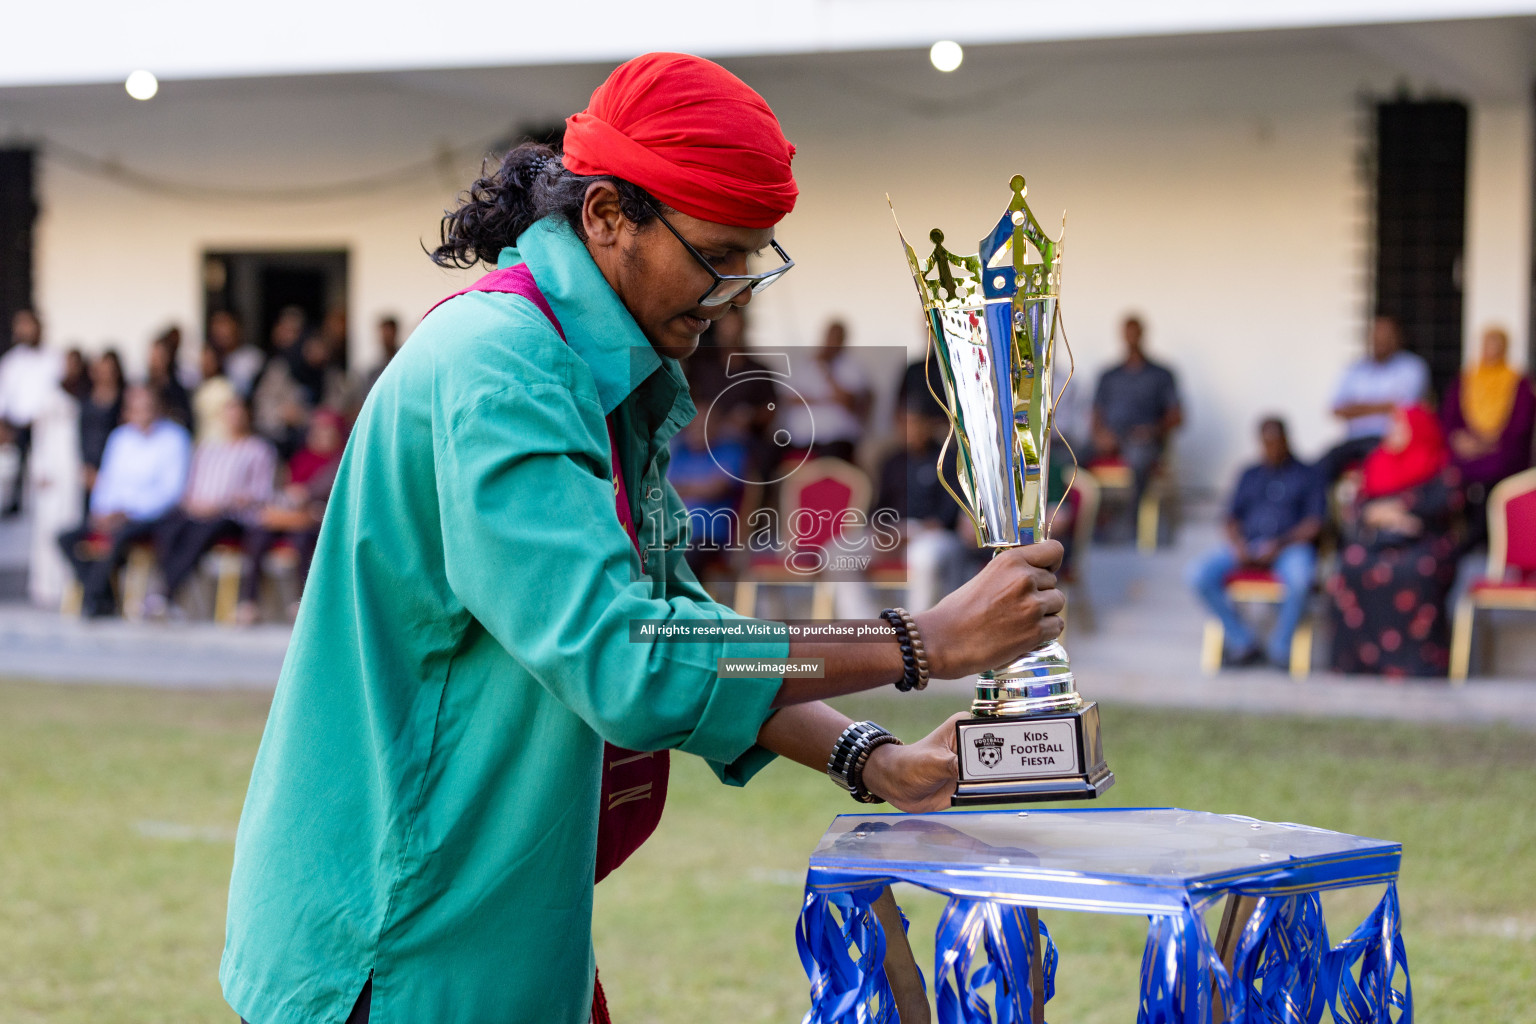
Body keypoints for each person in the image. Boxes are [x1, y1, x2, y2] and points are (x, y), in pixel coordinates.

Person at [221, 53, 1066, 1024]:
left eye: (757, 256)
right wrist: (922, 642)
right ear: (607, 218)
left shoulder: (590, 368)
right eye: (720, 252)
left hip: (487, 914)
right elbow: (630, 657)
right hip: (397, 937)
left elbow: (680, 629)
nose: (737, 289)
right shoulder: (501, 369)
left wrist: (873, 759)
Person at [1327, 406, 1463, 677]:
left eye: (1401, 426)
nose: (1393, 432)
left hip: (1424, 543)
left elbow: (1447, 501)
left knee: (1418, 569)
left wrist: (1403, 511)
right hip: (1378, 542)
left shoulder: (1439, 463)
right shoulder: (1377, 460)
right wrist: (1379, 514)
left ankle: (1416, 664)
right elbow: (1359, 506)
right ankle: (1357, 662)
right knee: (1350, 565)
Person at [1187, 418, 1325, 668]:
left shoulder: (1308, 475)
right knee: (1198, 575)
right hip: (1248, 546)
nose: (1272, 448)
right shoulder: (1250, 474)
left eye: (1277, 441)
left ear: (1287, 439)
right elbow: (1230, 519)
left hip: (1288, 548)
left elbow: (1314, 524)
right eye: (1266, 442)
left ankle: (1280, 649)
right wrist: (1238, 545)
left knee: (1300, 578)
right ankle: (1242, 641)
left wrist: (1279, 545)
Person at [57, 386, 190, 617]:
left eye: (146, 407)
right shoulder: (120, 437)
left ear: (158, 408)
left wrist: (128, 512)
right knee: (66, 538)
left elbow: (171, 491)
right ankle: (103, 596)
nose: (141, 413)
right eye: (135, 408)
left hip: (149, 516)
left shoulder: (174, 438)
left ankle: (92, 599)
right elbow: (107, 481)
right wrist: (101, 511)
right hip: (112, 514)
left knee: (120, 537)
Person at [144, 397, 275, 617]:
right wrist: (194, 504)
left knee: (202, 531)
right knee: (169, 528)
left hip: (232, 516)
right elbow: (191, 486)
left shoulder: (259, 450)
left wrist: (221, 504)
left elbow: (261, 493)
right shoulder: (208, 448)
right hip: (198, 511)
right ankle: (169, 593)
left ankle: (165, 592)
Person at [235, 409, 346, 626]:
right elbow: (287, 491)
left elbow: (314, 493)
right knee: (258, 535)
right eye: (318, 430)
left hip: (319, 520)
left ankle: (302, 602)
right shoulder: (301, 457)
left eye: (327, 431)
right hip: (291, 516)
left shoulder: (339, 460)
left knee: (303, 540)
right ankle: (249, 602)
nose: (322, 435)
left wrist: (302, 498)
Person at [1439, 325, 1535, 547]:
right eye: (1487, 344)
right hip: (1469, 449)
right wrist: (1459, 439)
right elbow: (1449, 418)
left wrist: (1487, 443)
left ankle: (1488, 535)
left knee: (1493, 472)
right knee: (1452, 471)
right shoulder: (1467, 378)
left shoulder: (1517, 382)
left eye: (1496, 345)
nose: (1490, 350)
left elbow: (1520, 426)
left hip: (1499, 450)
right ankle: (1462, 535)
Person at [1317, 315, 1429, 481]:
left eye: (1386, 336)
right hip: (1354, 440)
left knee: (1374, 472)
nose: (1380, 341)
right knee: (1319, 469)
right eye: (1376, 336)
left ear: (1398, 338)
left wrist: (1356, 407)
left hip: (1388, 442)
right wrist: (1383, 405)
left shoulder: (1411, 367)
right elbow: (1336, 409)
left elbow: (1404, 408)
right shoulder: (1355, 369)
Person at [1090, 315, 1182, 508]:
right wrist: (1100, 435)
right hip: (1111, 438)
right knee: (1069, 457)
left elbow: (1177, 416)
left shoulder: (1161, 374)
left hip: (1142, 440)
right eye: (1127, 333)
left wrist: (1152, 431)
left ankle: (1131, 517)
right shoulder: (1109, 375)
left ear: (1142, 334)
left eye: (1135, 333)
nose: (1131, 338)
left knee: (1139, 460)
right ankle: (1084, 521)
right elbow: (1095, 412)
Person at [773, 319, 872, 464]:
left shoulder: (853, 366)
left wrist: (826, 370)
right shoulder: (805, 364)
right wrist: (826, 399)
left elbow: (847, 400)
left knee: (832, 457)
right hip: (800, 437)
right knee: (771, 451)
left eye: (836, 338)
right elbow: (789, 397)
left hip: (836, 439)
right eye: (829, 336)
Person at [27, 367, 82, 607]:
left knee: (69, 524)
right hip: (50, 476)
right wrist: (38, 469)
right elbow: (38, 439)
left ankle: (66, 587)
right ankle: (45, 587)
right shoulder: (48, 402)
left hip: (71, 477)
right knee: (46, 531)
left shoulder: (78, 403)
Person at [0, 309, 63, 516]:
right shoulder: (11, 362)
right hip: (17, 428)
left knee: (46, 478)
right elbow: (4, 396)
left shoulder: (53, 358)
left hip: (47, 427)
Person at [78, 350, 124, 499]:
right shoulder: (86, 400)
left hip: (114, 465)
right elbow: (82, 434)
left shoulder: (122, 401)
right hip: (89, 466)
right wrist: (86, 466)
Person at [209, 311, 265, 398]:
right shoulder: (209, 358)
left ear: (237, 327)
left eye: (224, 324)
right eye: (216, 325)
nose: (220, 331)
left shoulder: (253, 358)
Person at [147, 327, 193, 429]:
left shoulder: (178, 391)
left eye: (160, 356)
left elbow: (184, 419)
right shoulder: (143, 387)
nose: (155, 361)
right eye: (153, 356)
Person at [192, 345, 238, 443]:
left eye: (209, 360)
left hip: (221, 441)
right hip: (202, 441)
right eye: (203, 360)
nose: (206, 364)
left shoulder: (224, 386)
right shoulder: (198, 387)